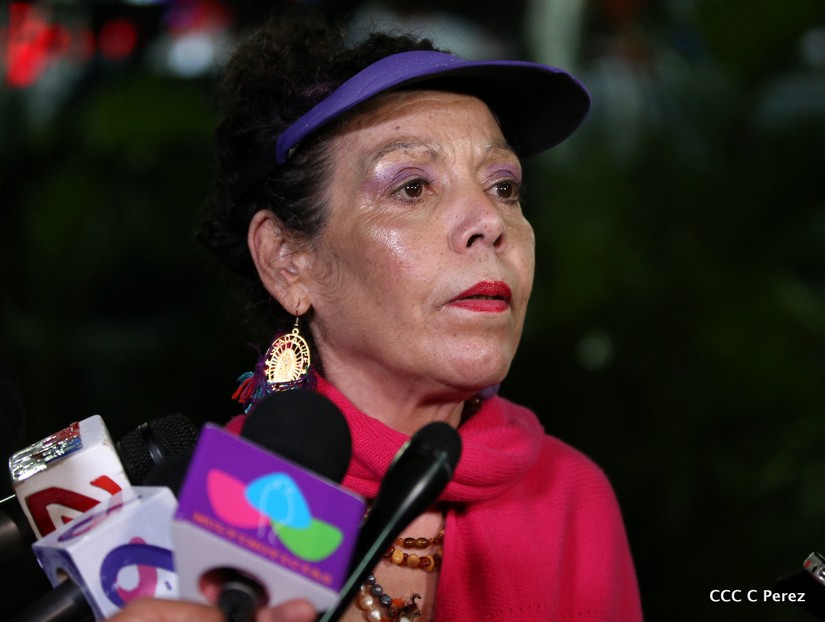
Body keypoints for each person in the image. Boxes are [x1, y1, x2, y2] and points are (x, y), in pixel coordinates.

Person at [110, 10, 643, 622]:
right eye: (412, 188)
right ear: (287, 260)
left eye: (504, 187)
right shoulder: (195, 513)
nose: (489, 223)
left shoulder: (572, 497)